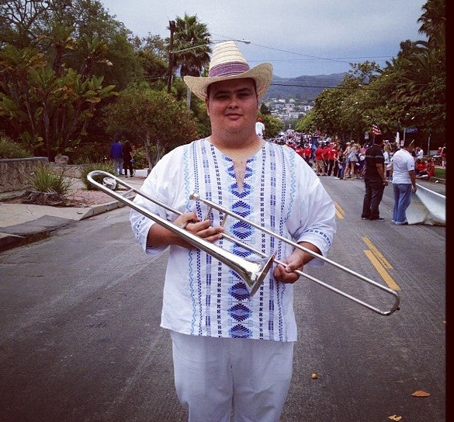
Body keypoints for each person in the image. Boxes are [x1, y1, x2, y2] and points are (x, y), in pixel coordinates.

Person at [129, 41, 336, 422]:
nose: (233, 103)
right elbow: (140, 219)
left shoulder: (290, 162)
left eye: (243, 94)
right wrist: (174, 233)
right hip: (196, 319)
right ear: (208, 105)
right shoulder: (177, 160)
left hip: (268, 317)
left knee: (263, 413)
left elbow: (321, 222)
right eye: (221, 96)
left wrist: (298, 257)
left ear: (257, 101)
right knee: (202, 411)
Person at [361, 135, 388, 221]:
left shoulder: (369, 150)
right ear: (381, 142)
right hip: (375, 176)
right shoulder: (378, 152)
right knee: (376, 195)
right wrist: (383, 178)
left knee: (368, 194)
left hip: (368, 175)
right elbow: (379, 166)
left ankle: (365, 213)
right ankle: (374, 214)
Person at [391, 141, 417, 225]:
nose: (413, 148)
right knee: (404, 201)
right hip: (404, 181)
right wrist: (414, 185)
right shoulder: (409, 157)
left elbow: (392, 166)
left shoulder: (396, 154)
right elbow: (411, 172)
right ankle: (400, 219)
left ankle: (395, 217)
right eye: (412, 146)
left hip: (396, 180)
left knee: (397, 200)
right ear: (409, 146)